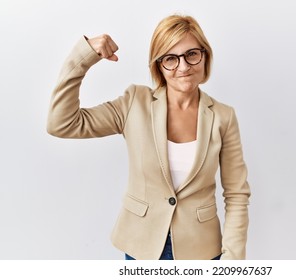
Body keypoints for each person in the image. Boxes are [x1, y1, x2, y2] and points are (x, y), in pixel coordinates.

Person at [47, 14, 250, 260]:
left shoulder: (223, 116)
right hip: (141, 247)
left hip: (201, 250)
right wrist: (83, 57)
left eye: (192, 54)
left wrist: (232, 260)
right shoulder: (135, 103)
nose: (183, 67)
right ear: (158, 65)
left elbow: (237, 194)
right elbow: (62, 123)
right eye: (171, 59)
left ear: (205, 55)